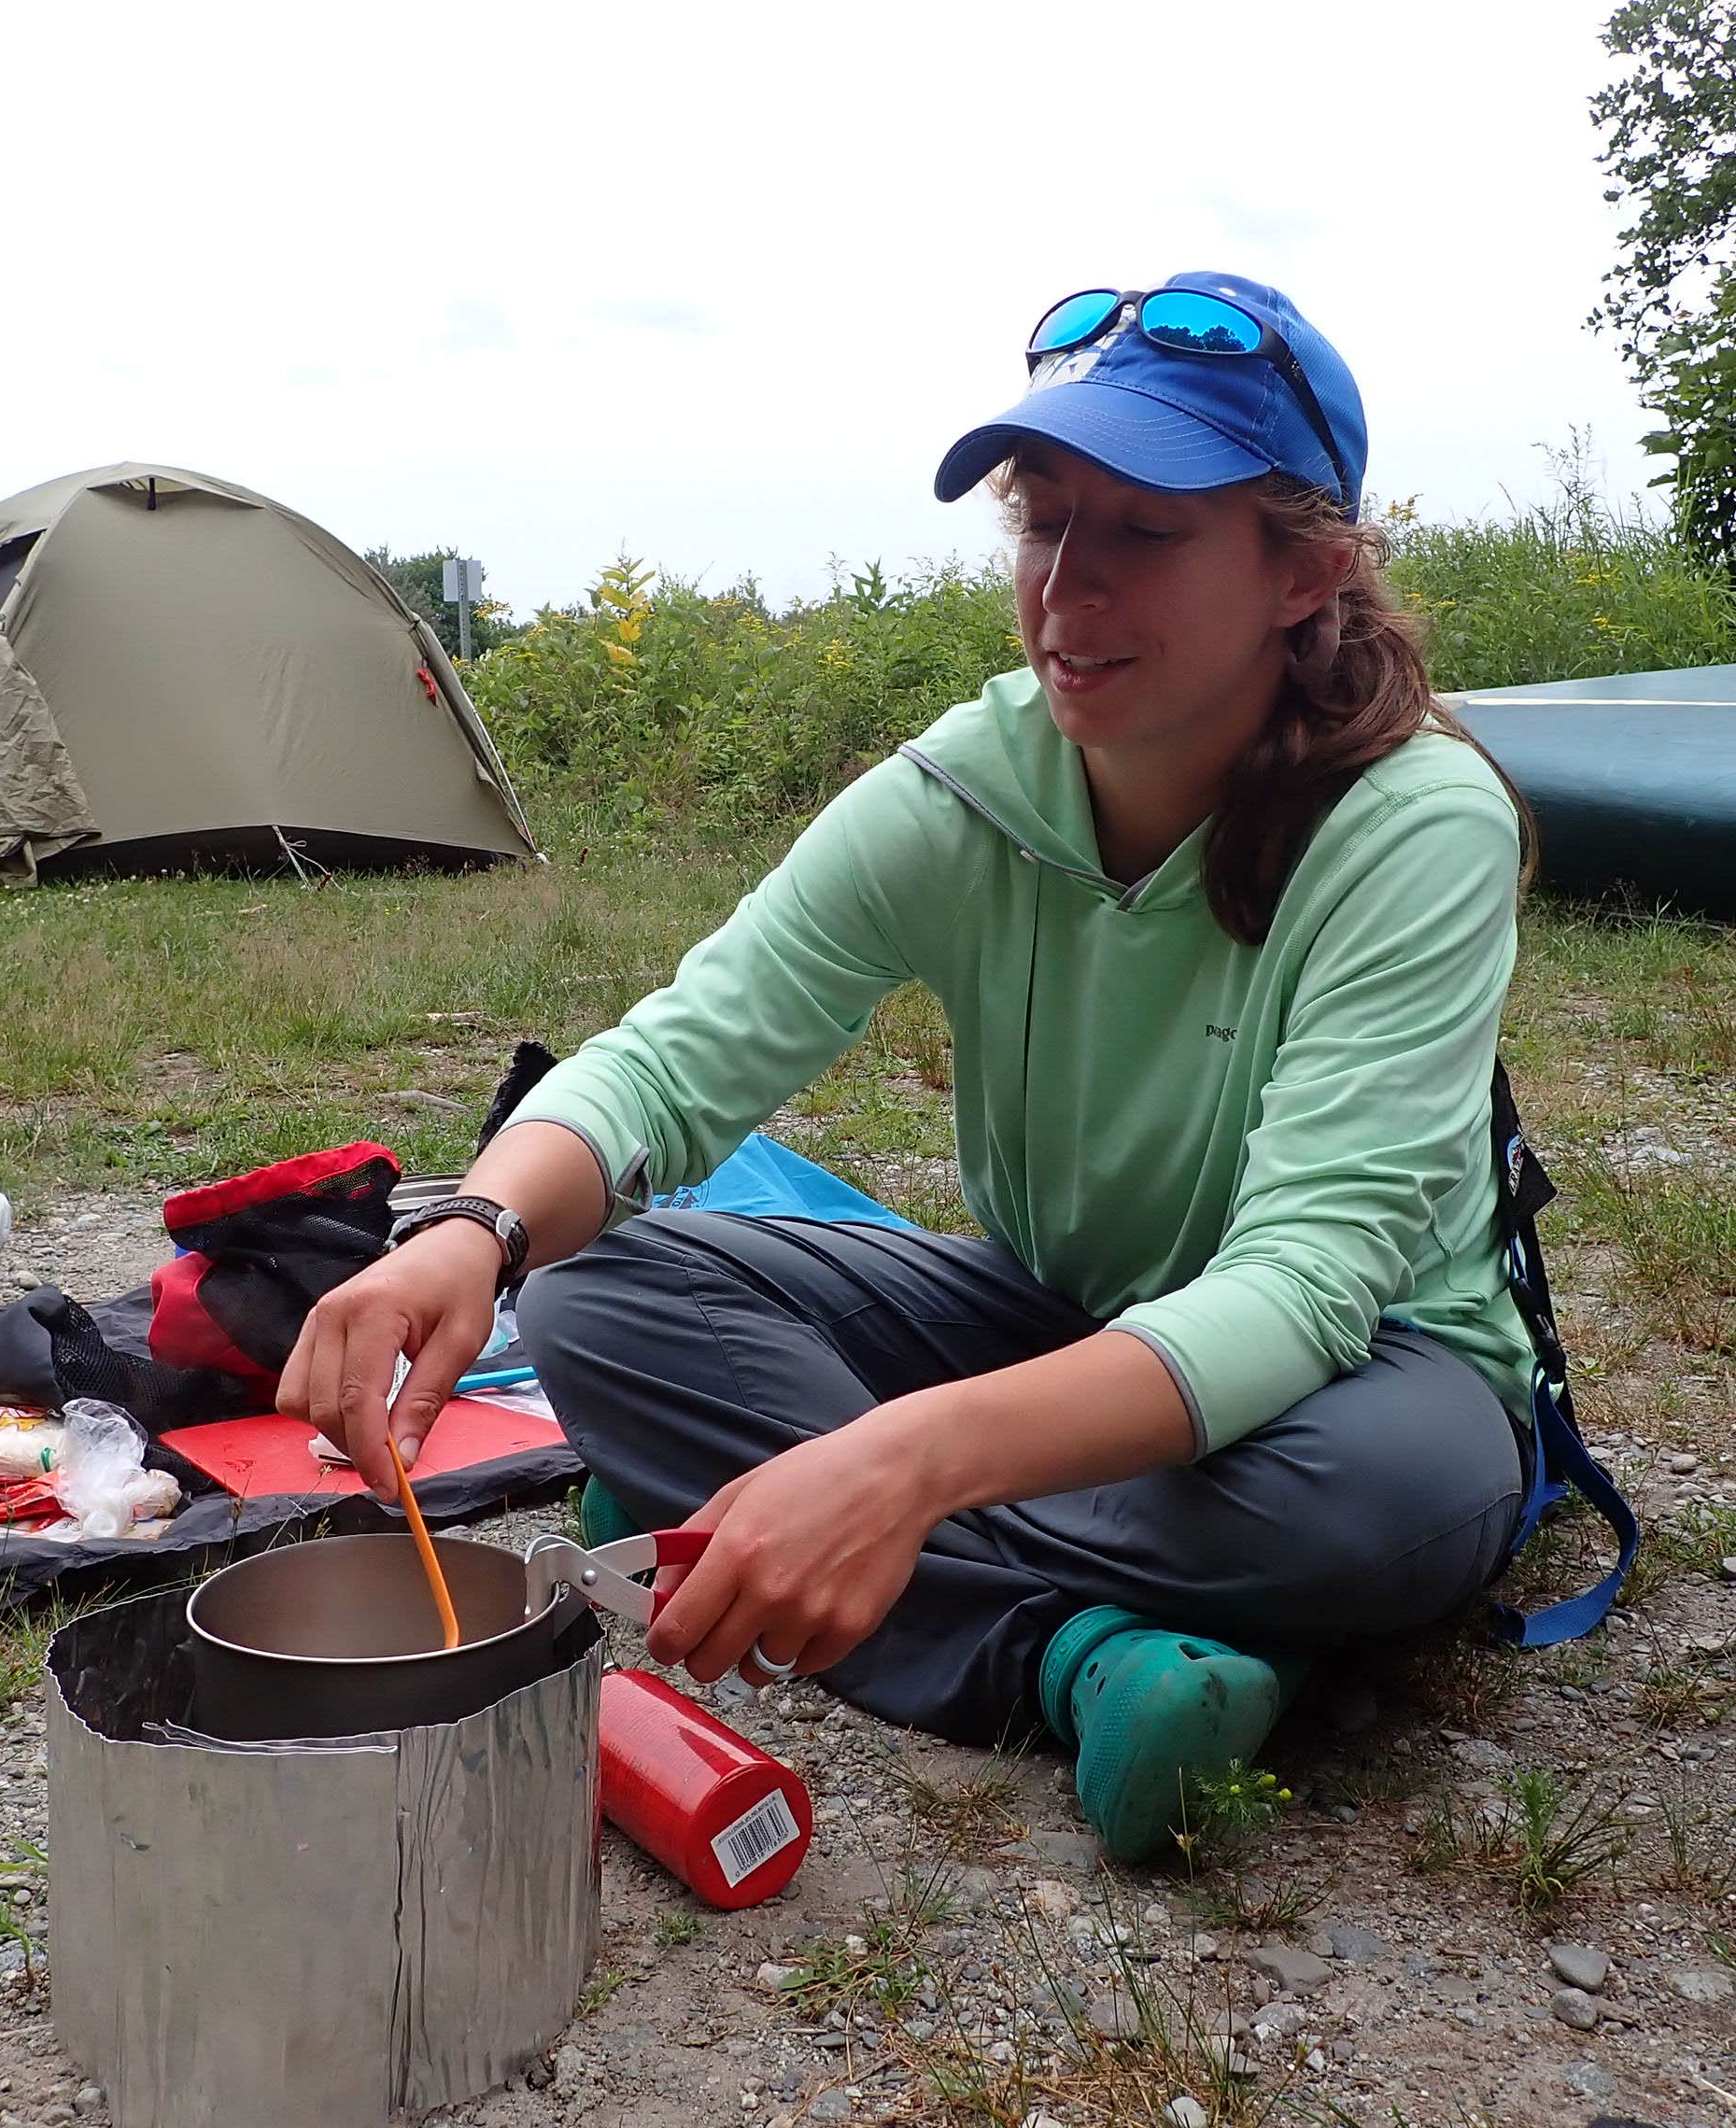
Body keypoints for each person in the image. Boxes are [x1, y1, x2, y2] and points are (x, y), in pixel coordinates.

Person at [281, 272, 1540, 1860]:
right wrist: (475, 1228)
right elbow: (680, 1054)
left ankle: (748, 1519)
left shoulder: (1414, 825)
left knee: (1367, 1502)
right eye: (1042, 523)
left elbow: (1303, 1288)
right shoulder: (969, 788)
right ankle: (1080, 1657)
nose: (1067, 589)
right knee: (595, 1291)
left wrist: (902, 1461)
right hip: (1064, 1321)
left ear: (1306, 570)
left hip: (1361, 1375)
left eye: (1145, 532)